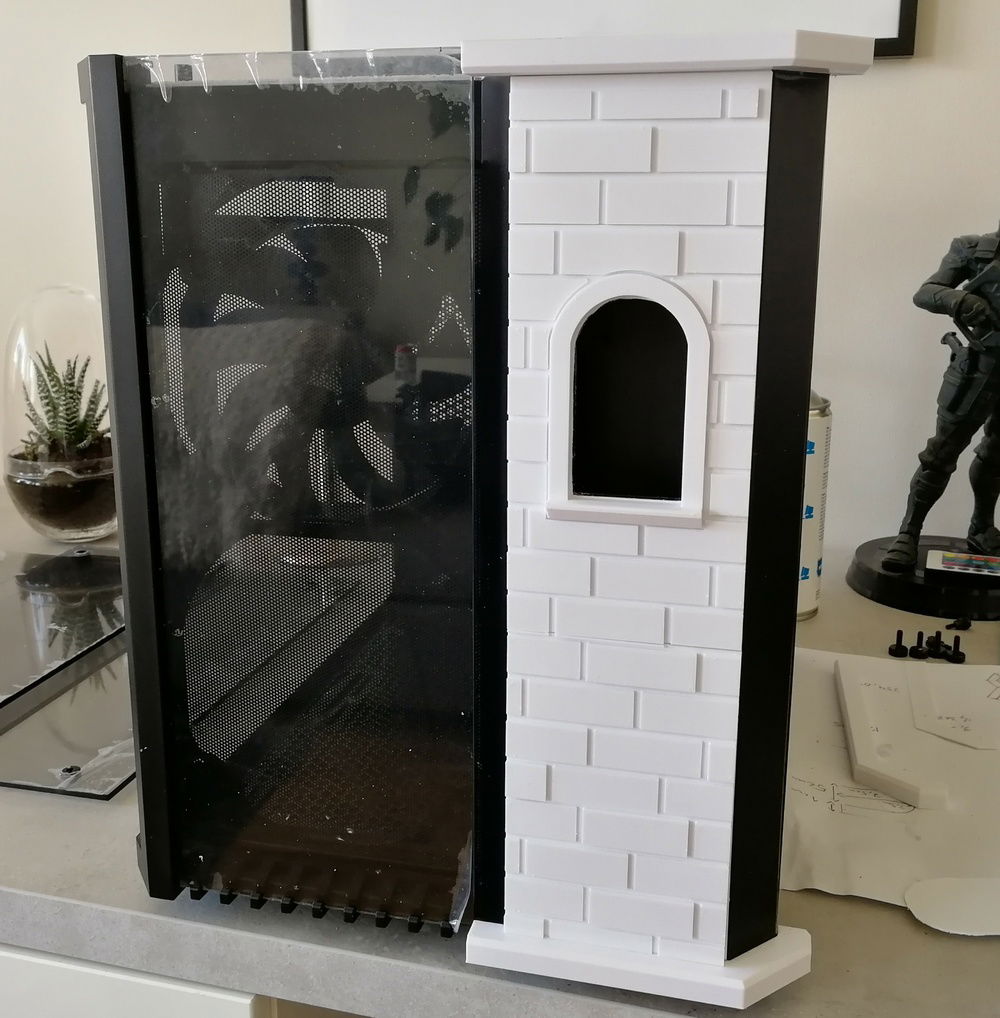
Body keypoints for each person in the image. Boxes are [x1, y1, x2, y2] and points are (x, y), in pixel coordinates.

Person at [882, 225, 1000, 572]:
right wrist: (962, 301)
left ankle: (981, 528)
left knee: (995, 456)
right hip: (979, 368)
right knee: (941, 454)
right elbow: (926, 293)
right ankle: (909, 533)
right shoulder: (973, 249)